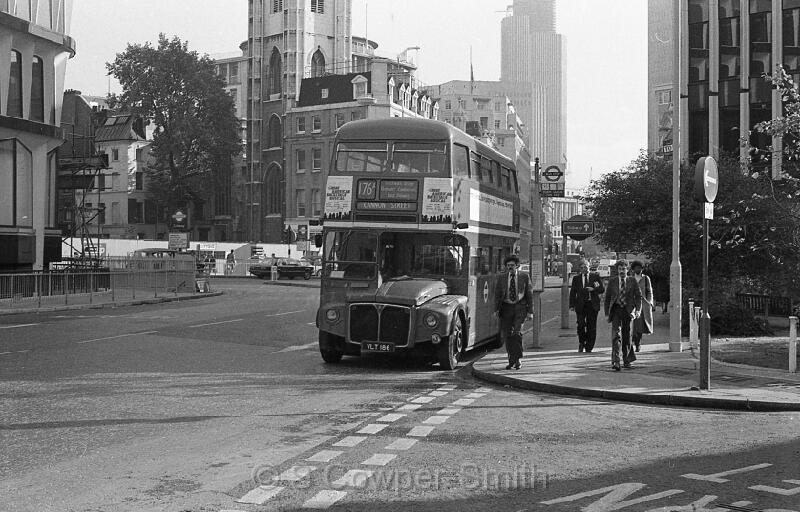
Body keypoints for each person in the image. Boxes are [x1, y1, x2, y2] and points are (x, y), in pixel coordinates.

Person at [494, 254, 534, 370]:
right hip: (506, 308)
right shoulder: (502, 277)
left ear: (517, 266)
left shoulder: (524, 276)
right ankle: (511, 360)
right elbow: (497, 294)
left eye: (512, 265)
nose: (510, 267)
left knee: (517, 333)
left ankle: (518, 359)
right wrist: (496, 310)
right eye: (508, 265)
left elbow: (529, 294)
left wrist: (530, 311)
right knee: (507, 335)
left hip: (520, 307)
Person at [603, 259, 643, 371]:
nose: (621, 271)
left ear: (627, 269)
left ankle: (626, 360)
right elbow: (607, 298)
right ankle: (616, 361)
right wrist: (607, 314)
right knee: (616, 335)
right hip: (616, 310)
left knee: (627, 336)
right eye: (620, 269)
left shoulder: (632, 281)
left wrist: (638, 310)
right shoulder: (612, 281)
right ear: (617, 270)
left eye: (624, 269)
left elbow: (638, 297)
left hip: (627, 311)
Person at [569, 259, 605, 353]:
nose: (584, 269)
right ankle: (582, 342)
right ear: (580, 269)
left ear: (589, 267)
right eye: (582, 268)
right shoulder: (576, 279)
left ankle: (589, 346)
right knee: (581, 324)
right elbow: (573, 292)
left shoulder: (595, 277)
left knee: (591, 326)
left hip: (592, 305)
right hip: (581, 305)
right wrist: (571, 305)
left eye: (585, 267)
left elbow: (601, 289)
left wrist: (593, 289)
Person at [631, 260, 654, 352]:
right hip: (632, 304)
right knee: (633, 325)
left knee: (640, 325)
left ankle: (638, 344)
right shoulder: (630, 278)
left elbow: (649, 291)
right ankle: (632, 342)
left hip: (643, 305)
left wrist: (649, 302)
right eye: (636, 268)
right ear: (633, 269)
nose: (638, 269)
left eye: (640, 268)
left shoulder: (646, 278)